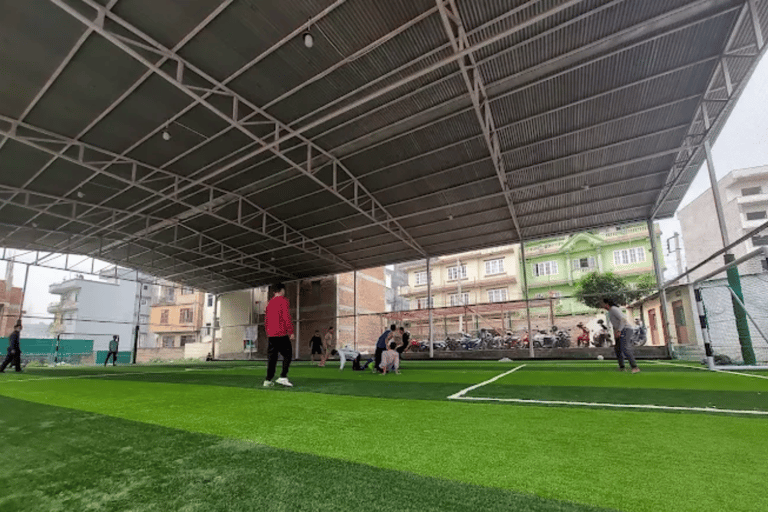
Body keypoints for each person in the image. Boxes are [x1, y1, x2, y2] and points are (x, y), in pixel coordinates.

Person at [263, 283, 295, 387]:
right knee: (288, 354)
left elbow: (266, 320)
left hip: (271, 335)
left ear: (273, 292)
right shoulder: (283, 301)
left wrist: (268, 332)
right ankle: (283, 377)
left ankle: (268, 380)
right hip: (281, 333)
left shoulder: (269, 303)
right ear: (282, 290)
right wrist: (290, 331)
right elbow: (286, 317)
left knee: (272, 358)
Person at [601, 298, 640, 373]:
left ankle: (635, 367)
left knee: (625, 348)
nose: (601, 305)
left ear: (606, 304)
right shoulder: (610, 311)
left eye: (602, 303)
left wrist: (619, 330)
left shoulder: (613, 309)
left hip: (625, 329)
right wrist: (616, 332)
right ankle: (622, 367)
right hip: (620, 330)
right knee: (618, 349)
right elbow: (616, 323)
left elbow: (623, 319)